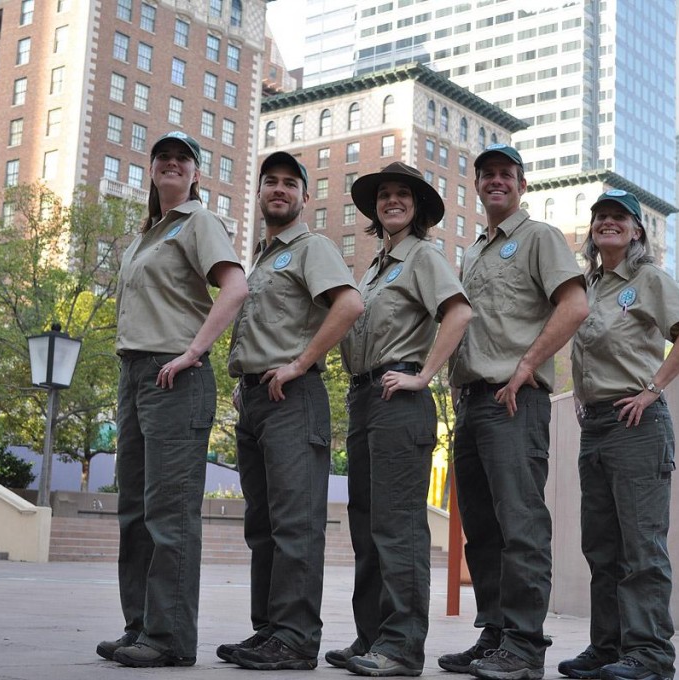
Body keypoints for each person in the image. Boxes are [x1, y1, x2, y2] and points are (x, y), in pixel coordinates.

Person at [98, 130, 249, 667]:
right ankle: (139, 626)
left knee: (169, 512)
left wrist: (192, 352)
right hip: (133, 372)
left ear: (194, 175)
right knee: (134, 509)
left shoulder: (199, 222)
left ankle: (170, 638)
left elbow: (235, 287)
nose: (171, 163)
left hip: (173, 375)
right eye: (163, 156)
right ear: (152, 169)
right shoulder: (145, 236)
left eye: (182, 159)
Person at [442, 144, 589, 680]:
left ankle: (525, 646)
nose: (496, 182)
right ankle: (496, 633)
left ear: (522, 185)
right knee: (481, 528)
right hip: (471, 403)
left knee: (519, 523)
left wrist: (528, 365)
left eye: (507, 174)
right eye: (488, 175)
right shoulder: (474, 251)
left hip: (512, 401)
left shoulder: (540, 238)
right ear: (477, 185)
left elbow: (574, 305)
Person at [216, 151, 363, 671]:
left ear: (304, 197)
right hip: (255, 400)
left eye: (288, 184)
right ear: (258, 195)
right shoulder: (259, 258)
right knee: (264, 525)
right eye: (269, 183)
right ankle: (269, 630)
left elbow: (349, 304)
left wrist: (300, 363)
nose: (278, 190)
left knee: (296, 524)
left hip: (292, 402)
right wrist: (245, 378)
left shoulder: (311, 246)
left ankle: (297, 637)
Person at [325, 162, 472, 677]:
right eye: (383, 194)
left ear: (417, 207)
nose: (391, 201)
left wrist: (424, 375)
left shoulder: (424, 256)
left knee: (398, 528)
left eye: (401, 195)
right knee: (366, 527)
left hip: (399, 398)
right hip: (366, 400)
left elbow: (458, 313)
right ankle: (371, 637)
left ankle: (403, 646)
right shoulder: (372, 269)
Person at [557, 190, 679, 680]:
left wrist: (652, 388)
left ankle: (649, 654)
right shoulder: (587, 285)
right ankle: (607, 648)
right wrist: (581, 393)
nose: (608, 223)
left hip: (638, 423)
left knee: (641, 546)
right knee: (601, 545)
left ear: (637, 231)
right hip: (597, 425)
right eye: (600, 217)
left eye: (619, 217)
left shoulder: (646, 279)